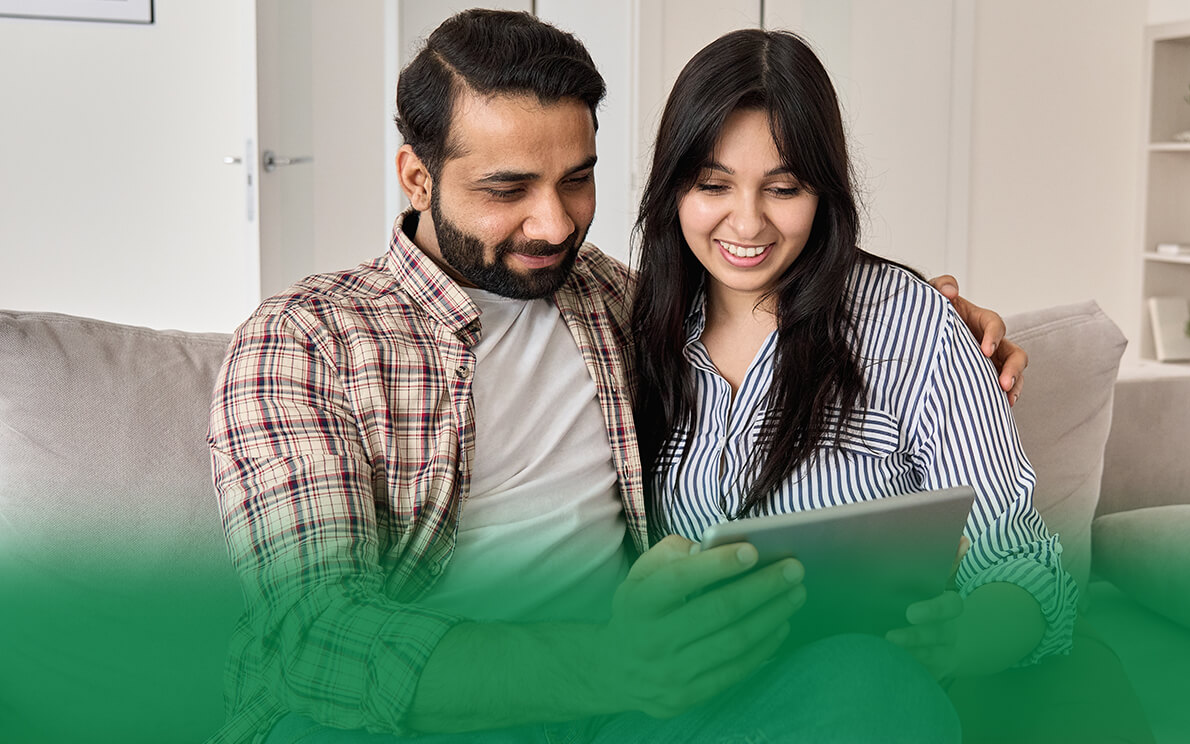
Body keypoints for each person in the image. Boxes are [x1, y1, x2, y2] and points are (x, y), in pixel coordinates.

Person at [208, 9, 1022, 744]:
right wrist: (611, 661)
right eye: (508, 190)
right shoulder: (305, 340)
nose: (554, 223)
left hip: (630, 709)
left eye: (576, 179)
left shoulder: (614, 299)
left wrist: (936, 310)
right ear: (418, 178)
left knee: (871, 689)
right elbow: (315, 635)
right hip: (443, 712)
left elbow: (769, 288)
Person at [630, 27, 1077, 701]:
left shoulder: (911, 327)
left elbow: (1018, 560)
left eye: (782, 189)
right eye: (713, 185)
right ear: (674, 190)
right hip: (685, 705)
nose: (746, 224)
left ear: (824, 193)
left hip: (859, 696)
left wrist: (965, 639)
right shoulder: (626, 328)